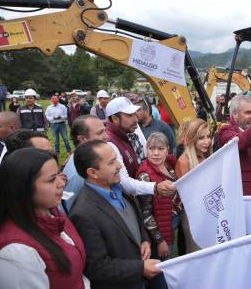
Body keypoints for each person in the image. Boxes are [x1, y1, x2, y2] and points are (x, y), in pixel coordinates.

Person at [0, 148, 88, 288]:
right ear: (24, 188)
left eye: (59, 175)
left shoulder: (52, 211)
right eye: (51, 179)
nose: (61, 183)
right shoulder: (16, 253)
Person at [70, 140, 161, 288]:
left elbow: (135, 218)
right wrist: (140, 268)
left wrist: (145, 239)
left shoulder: (117, 187)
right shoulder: (83, 213)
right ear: (93, 172)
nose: (119, 165)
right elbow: (97, 267)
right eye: (112, 162)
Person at [106, 97, 175, 197]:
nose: (135, 119)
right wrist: (155, 187)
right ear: (115, 119)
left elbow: (147, 154)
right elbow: (123, 182)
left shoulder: (132, 127)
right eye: (129, 115)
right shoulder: (110, 143)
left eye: (135, 113)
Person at [137, 132, 181, 289]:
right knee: (160, 275)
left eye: (160, 148)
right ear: (146, 149)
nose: (155, 153)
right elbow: (146, 214)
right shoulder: (145, 175)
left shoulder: (167, 164)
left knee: (167, 268)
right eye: (151, 148)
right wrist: (160, 240)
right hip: (157, 235)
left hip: (169, 223)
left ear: (167, 149)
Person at [175, 118, 212, 253]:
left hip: (208, 212)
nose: (207, 141)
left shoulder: (205, 156)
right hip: (194, 217)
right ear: (191, 139)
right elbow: (188, 196)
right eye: (201, 138)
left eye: (208, 136)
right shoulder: (184, 162)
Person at [62, 115, 107, 211]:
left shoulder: (88, 158)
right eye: (100, 133)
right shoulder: (77, 173)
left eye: (105, 130)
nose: (106, 136)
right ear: (82, 139)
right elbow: (72, 208)